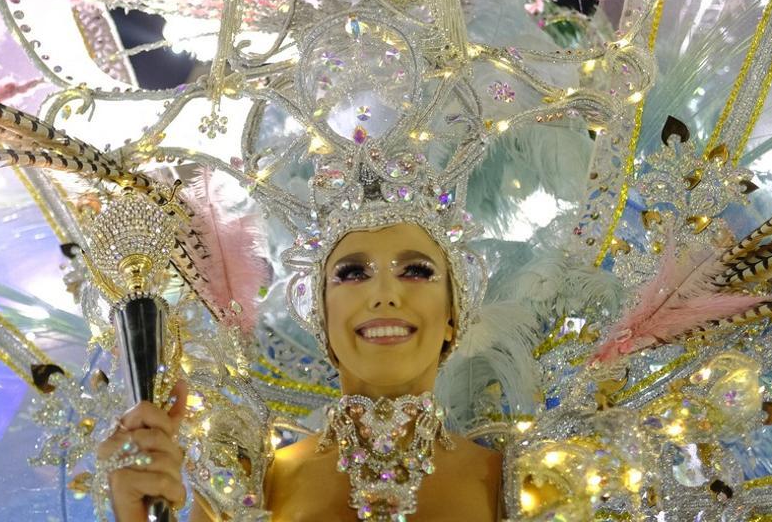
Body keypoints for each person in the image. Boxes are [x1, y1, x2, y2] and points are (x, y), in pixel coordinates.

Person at [99, 222, 504, 521]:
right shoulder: (249, 484)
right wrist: (140, 511)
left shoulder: (521, 482)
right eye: (352, 273)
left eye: (416, 271)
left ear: (453, 315)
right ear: (323, 317)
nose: (384, 295)